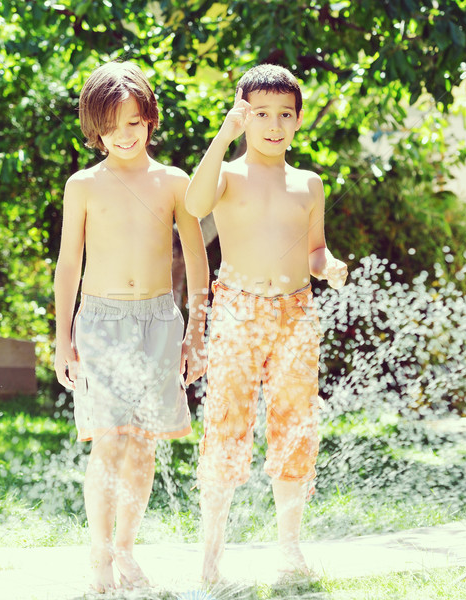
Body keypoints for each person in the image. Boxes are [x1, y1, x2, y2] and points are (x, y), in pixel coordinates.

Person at [185, 63, 348, 583]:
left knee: (295, 428)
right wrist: (224, 134)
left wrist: (331, 265)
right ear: (243, 115)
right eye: (260, 114)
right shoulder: (229, 175)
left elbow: (315, 250)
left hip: (297, 313)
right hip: (238, 310)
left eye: (284, 114)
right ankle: (211, 552)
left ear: (298, 120)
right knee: (227, 426)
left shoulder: (308, 183)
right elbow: (193, 202)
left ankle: (289, 547)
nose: (273, 124)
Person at [54, 61, 208, 593]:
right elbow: (68, 265)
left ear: (150, 122)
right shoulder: (83, 186)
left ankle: (125, 550)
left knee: (142, 443)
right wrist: (62, 338)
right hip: (99, 322)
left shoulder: (173, 182)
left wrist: (196, 332)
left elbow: (197, 259)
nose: (127, 134)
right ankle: (98, 552)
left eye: (136, 122)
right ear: (95, 127)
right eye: (114, 124)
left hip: (160, 320)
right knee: (109, 439)